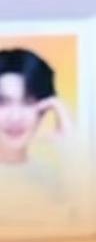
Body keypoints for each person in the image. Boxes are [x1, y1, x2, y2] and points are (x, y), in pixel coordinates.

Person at [0, 47, 77, 230]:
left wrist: (73, 153)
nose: (15, 117)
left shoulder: (55, 180)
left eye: (28, 102)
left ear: (44, 109)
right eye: (3, 103)